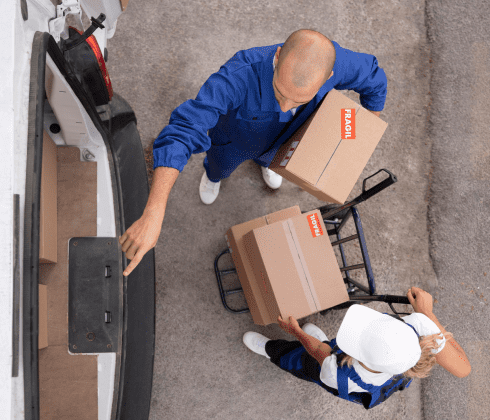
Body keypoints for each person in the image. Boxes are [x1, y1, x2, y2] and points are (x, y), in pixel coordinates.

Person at [119, 29, 387, 276]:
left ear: (329, 76)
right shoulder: (239, 74)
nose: (285, 107)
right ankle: (213, 177)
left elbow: (374, 79)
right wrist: (155, 209)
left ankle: (269, 164)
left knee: (276, 160)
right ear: (279, 55)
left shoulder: (338, 64)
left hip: (286, 143)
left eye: (299, 100)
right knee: (219, 166)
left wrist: (360, 132)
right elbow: (186, 128)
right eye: (279, 92)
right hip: (233, 143)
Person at [242, 287, 471, 409]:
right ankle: (316, 337)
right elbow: (463, 369)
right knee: (326, 347)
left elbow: (319, 353)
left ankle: (270, 349)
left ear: (358, 357)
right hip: (341, 359)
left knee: (299, 359)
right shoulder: (417, 330)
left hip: (325, 362)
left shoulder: (337, 374)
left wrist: (296, 332)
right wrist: (427, 314)